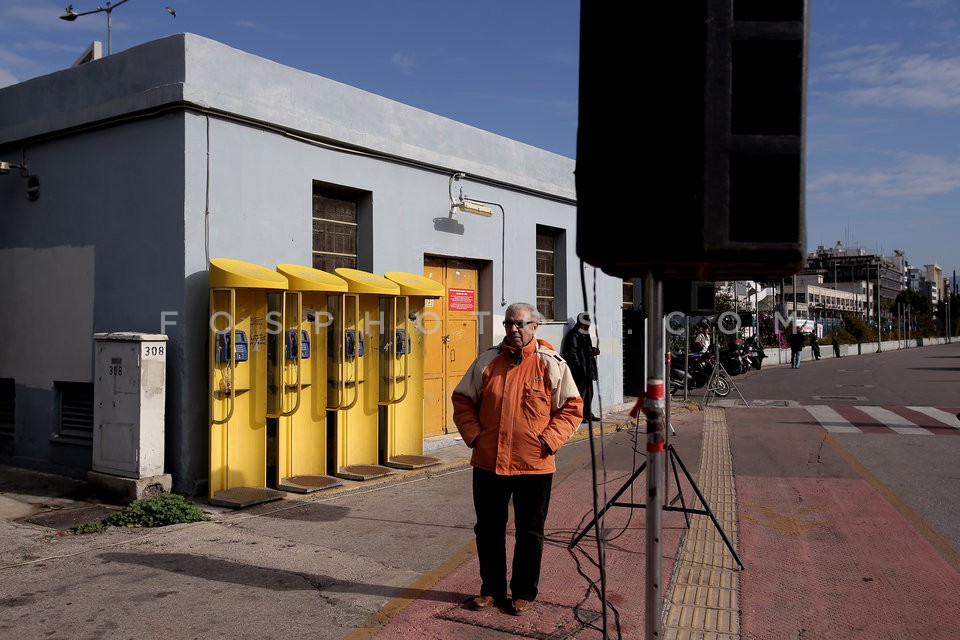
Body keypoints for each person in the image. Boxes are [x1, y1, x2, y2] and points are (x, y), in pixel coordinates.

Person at [452, 302, 583, 617]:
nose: (513, 330)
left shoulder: (551, 364)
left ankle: (524, 592)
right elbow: (463, 400)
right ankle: (491, 590)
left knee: (530, 531)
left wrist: (548, 441)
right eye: (509, 323)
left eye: (520, 324)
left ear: (535, 326)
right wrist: (475, 437)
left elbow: (572, 407)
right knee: (488, 530)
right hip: (488, 462)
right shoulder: (486, 361)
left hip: (534, 464)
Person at [560, 311, 600, 422]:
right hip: (580, 371)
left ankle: (588, 414)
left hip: (588, 369)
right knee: (580, 395)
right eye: (588, 321)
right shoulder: (573, 335)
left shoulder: (584, 334)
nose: (590, 323)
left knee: (589, 395)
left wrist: (594, 350)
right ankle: (579, 416)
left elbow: (585, 350)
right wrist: (580, 370)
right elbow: (572, 355)